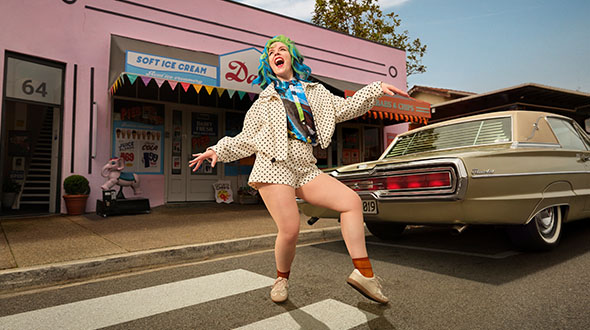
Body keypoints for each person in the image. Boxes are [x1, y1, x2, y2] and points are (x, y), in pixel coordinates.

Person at [189, 35, 409, 304]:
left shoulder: (316, 93)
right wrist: (217, 150)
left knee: (351, 202)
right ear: (268, 64)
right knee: (291, 228)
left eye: (282, 49)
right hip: (274, 164)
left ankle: (364, 274)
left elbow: (346, 107)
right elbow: (246, 138)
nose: (277, 54)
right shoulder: (263, 102)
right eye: (271, 53)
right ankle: (282, 278)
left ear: (292, 57)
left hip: (305, 164)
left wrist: (375, 88)